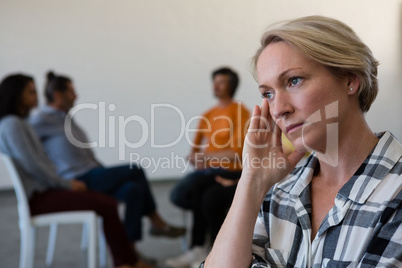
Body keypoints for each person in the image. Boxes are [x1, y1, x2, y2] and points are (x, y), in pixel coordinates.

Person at [204, 16, 402, 267]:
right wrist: (252, 182)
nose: (278, 110)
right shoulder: (281, 191)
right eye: (268, 94)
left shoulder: (396, 192)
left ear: (350, 80)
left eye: (294, 80)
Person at [0, 74, 154, 268]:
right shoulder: (13, 125)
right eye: (30, 92)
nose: (36, 97)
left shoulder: (18, 124)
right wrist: (66, 184)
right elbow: (34, 166)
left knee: (122, 194)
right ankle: (126, 262)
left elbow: (40, 163)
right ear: (15, 95)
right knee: (108, 204)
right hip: (41, 196)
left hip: (48, 190)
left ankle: (128, 259)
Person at [29, 72, 186, 248]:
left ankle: (130, 252)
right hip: (78, 178)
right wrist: (53, 176)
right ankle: (156, 221)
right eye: (72, 91)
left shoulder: (64, 118)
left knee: (133, 190)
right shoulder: (41, 119)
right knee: (134, 169)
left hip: (92, 172)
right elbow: (27, 148)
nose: (76, 95)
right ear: (58, 95)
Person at [167, 67, 250, 267]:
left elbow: (237, 152)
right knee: (204, 195)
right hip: (209, 172)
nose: (216, 86)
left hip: (232, 169)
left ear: (231, 86)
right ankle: (205, 249)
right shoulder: (208, 114)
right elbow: (194, 153)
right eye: (214, 81)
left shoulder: (240, 112)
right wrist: (199, 158)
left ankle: (201, 247)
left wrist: (205, 157)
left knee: (194, 187)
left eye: (221, 82)